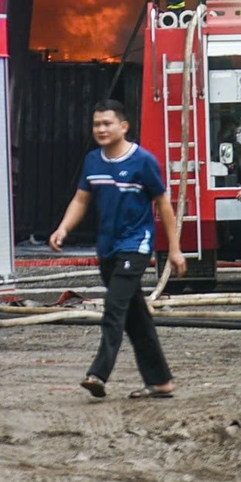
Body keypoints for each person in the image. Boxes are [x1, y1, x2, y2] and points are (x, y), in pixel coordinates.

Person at [48, 99, 187, 399]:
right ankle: (161, 380)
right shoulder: (93, 161)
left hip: (135, 246)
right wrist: (63, 228)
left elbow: (163, 204)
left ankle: (98, 373)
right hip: (108, 249)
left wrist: (174, 250)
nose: (101, 129)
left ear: (124, 126)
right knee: (137, 318)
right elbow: (81, 199)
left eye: (107, 123)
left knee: (114, 309)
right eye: (97, 124)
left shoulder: (144, 161)